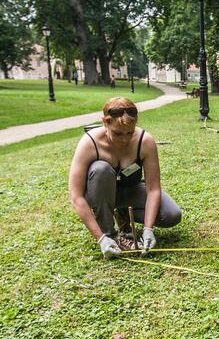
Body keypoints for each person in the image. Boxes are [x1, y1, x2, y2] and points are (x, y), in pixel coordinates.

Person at [69, 97, 182, 259]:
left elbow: (153, 189)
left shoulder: (145, 141)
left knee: (171, 215)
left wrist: (148, 229)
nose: (124, 139)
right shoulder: (89, 143)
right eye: (117, 133)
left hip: (130, 191)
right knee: (101, 169)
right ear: (105, 123)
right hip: (99, 197)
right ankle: (110, 234)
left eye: (130, 132)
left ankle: (123, 214)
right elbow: (76, 196)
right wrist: (101, 239)